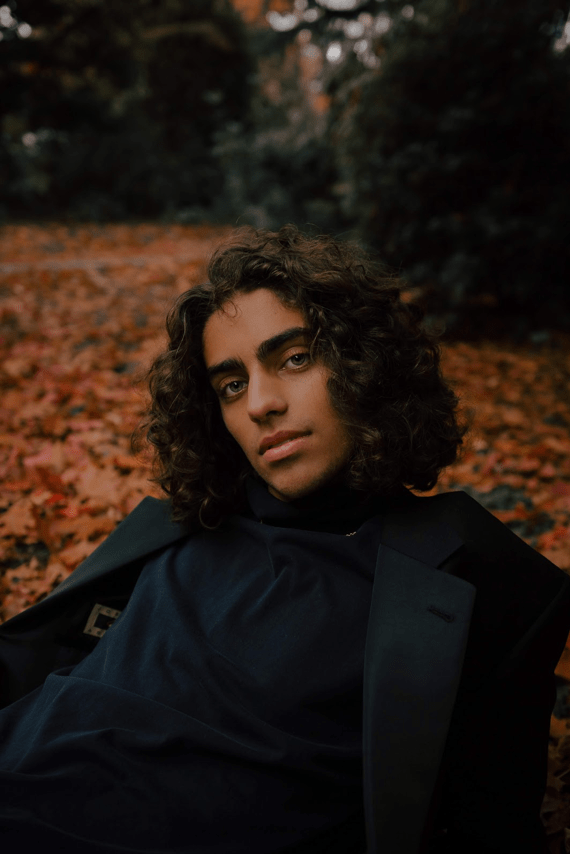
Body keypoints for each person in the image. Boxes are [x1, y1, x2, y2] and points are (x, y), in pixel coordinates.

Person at [0, 224, 569, 854]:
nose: (260, 405)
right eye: (232, 385)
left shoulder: (468, 572)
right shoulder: (185, 524)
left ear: (364, 363)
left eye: (294, 358)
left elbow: (489, 824)